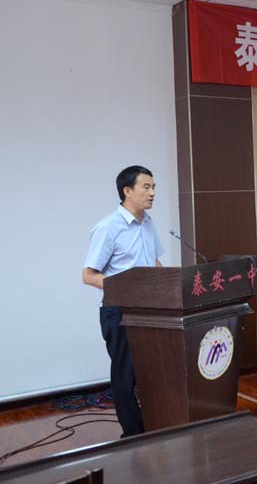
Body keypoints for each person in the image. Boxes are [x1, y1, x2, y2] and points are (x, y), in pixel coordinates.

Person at [82, 165, 164, 438]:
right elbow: (88, 275)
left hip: (150, 310)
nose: (152, 193)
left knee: (152, 371)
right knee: (125, 376)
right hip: (119, 312)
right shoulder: (108, 227)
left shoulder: (148, 223)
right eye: (146, 187)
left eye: (153, 187)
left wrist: (170, 283)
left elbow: (153, 262)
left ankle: (155, 424)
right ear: (127, 191)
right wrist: (127, 287)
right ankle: (133, 434)